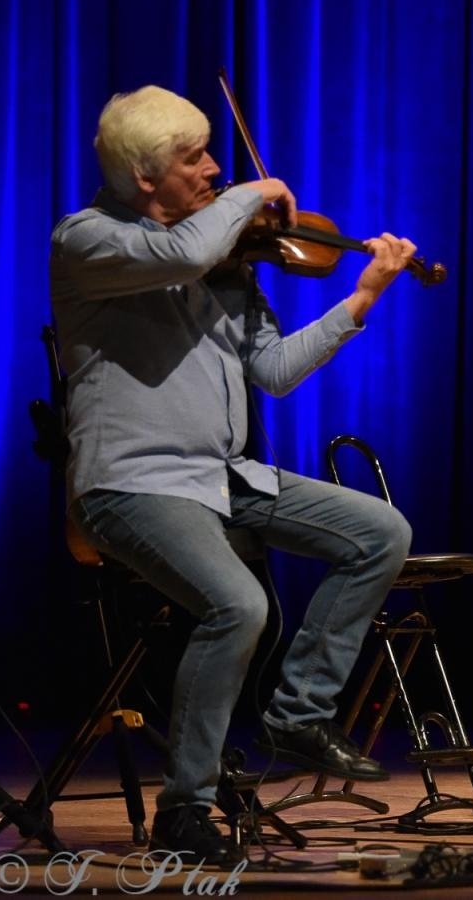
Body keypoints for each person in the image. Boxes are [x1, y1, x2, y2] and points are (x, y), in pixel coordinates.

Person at [49, 85, 416, 865]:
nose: (216, 170)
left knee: (379, 532)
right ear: (145, 176)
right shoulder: (87, 240)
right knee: (237, 604)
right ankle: (187, 806)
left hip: (219, 475)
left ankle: (300, 714)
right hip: (130, 483)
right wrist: (256, 191)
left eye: (213, 155)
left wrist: (360, 298)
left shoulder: (224, 264)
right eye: (195, 159)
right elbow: (178, 254)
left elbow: (274, 371)